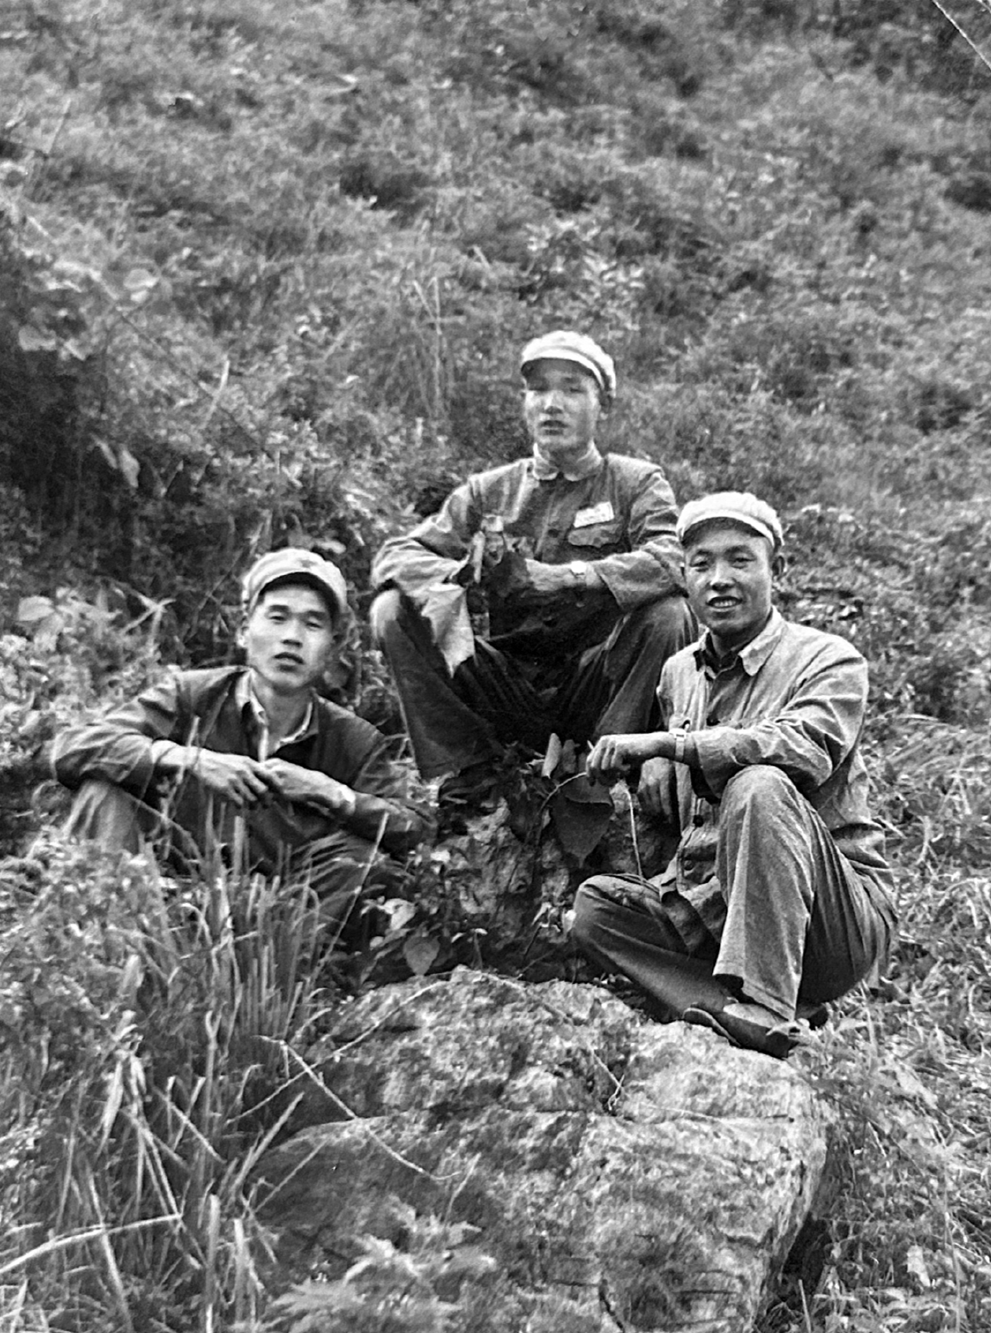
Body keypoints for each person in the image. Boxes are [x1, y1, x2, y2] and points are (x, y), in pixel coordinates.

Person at [572, 491, 897, 1057]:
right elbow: (683, 796)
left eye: (740, 560)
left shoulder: (830, 658)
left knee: (759, 784)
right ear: (685, 578)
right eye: (701, 565)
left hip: (831, 924)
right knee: (595, 911)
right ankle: (735, 1011)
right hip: (715, 908)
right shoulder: (679, 673)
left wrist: (672, 745)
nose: (719, 579)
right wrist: (646, 767)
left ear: (777, 569)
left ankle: (767, 1005)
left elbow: (804, 749)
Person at [369, 330, 694, 806]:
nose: (552, 405)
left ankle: (616, 766)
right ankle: (471, 767)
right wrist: (462, 574)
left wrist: (571, 577)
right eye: (538, 389)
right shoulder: (488, 492)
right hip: (506, 689)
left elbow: (675, 558)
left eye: (572, 390)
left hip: (600, 686)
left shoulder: (635, 483)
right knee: (392, 611)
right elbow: (397, 554)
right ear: (524, 403)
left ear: (603, 405)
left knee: (669, 614)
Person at [52, 549, 431, 934]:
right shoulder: (191, 697)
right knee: (103, 795)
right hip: (166, 890)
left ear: (332, 648)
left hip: (282, 917)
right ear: (244, 630)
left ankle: (283, 965)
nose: (292, 637)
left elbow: (415, 830)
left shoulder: (355, 741)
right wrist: (190, 759)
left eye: (313, 624)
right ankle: (107, 946)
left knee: (364, 860)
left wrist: (332, 793)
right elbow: (73, 747)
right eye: (277, 617)